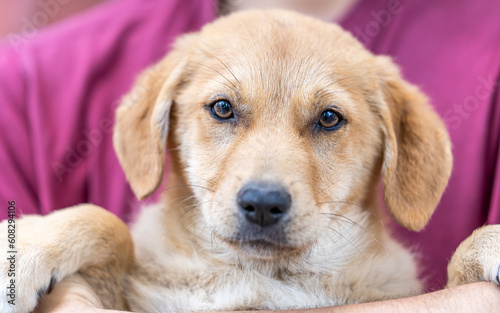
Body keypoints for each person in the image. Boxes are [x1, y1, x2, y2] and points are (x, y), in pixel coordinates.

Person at [0, 0, 498, 312]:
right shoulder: (24, 77)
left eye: (328, 120)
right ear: (162, 122)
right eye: (223, 110)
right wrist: (78, 239)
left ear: (393, 151)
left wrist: (476, 269)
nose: (265, 187)